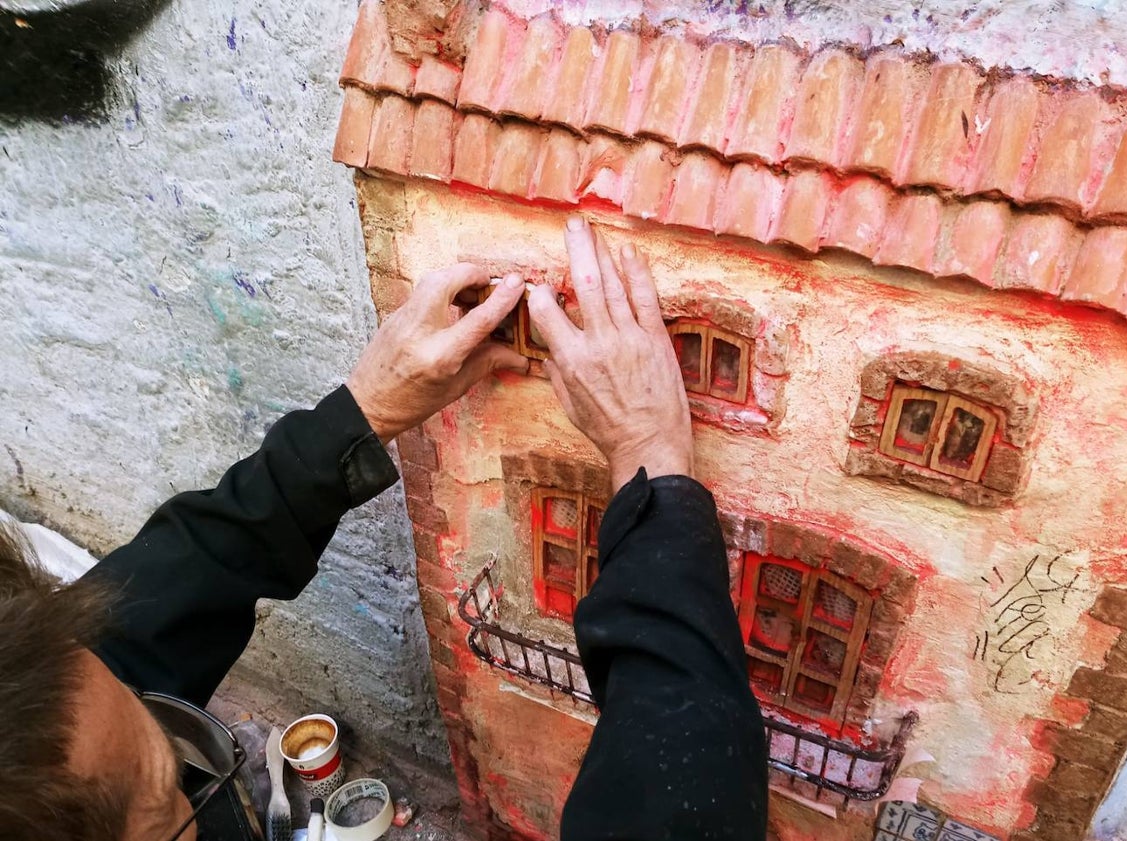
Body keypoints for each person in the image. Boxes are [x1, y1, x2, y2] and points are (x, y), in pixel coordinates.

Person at [0, 215, 766, 841]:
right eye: (173, 794)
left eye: (146, 708)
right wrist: (650, 459)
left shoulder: (44, 703)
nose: (170, 732)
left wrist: (360, 415)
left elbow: (156, 603)